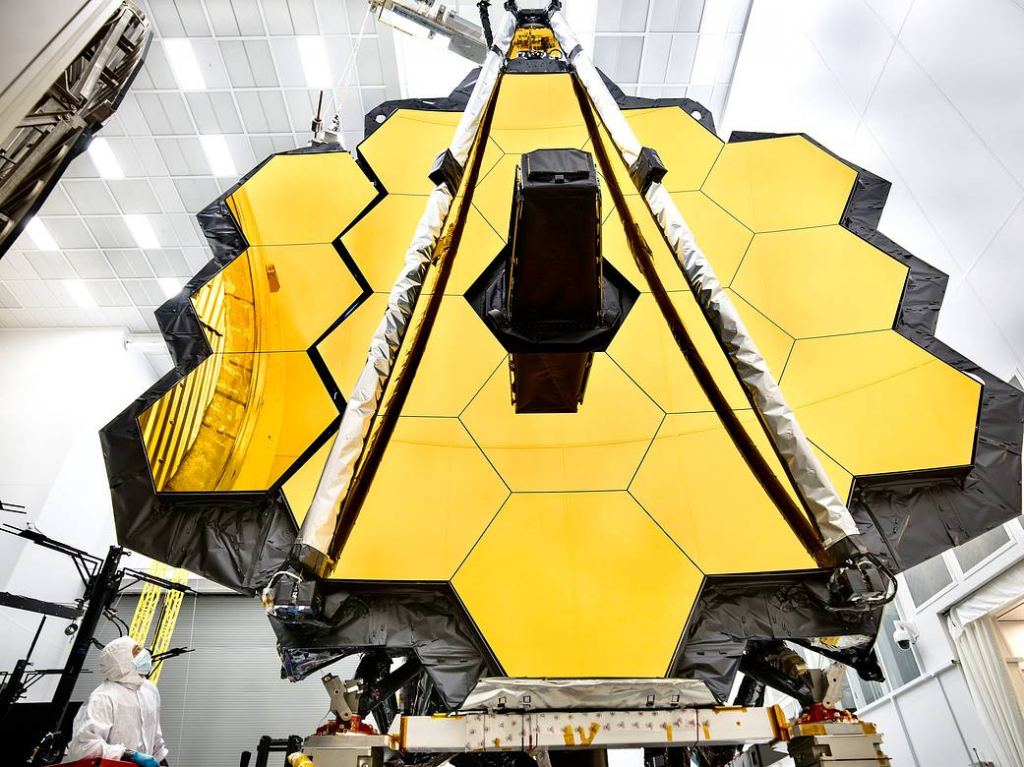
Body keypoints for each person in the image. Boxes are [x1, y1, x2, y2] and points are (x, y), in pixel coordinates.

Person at [65, 636, 168, 767]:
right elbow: (84, 748)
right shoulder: (103, 697)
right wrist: (130, 755)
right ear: (122, 661)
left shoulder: (149, 689)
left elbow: (155, 738)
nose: (145, 653)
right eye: (138, 650)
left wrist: (161, 760)